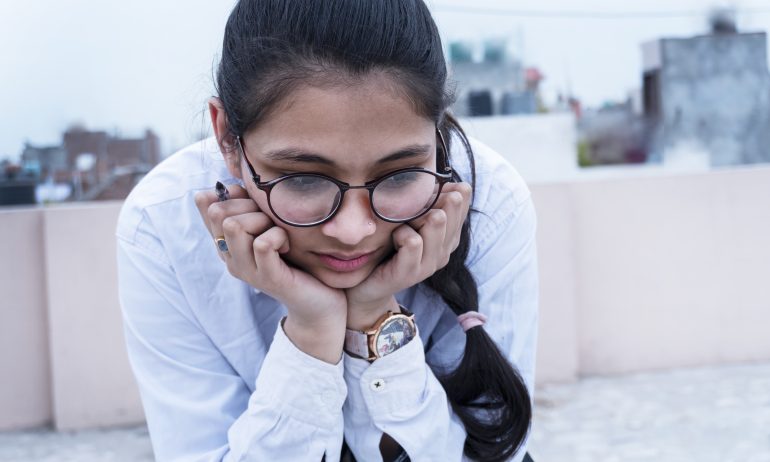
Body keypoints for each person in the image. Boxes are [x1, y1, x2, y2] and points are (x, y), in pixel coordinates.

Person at [116, 0, 539, 461]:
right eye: (303, 179)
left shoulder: (489, 199)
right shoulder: (161, 226)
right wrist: (311, 331)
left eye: (398, 175)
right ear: (226, 139)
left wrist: (375, 320)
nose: (354, 230)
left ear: (436, 137)